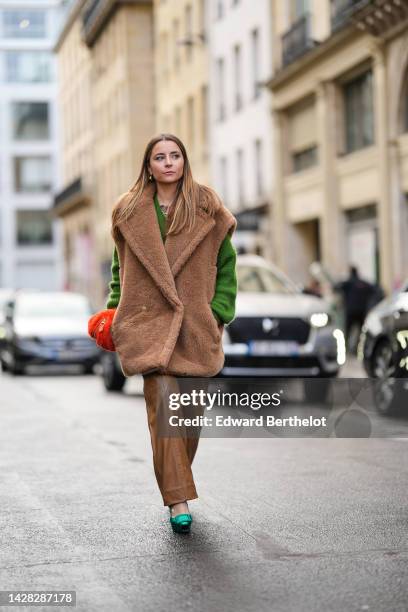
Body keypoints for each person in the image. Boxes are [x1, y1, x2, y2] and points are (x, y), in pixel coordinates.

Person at [88, 133, 238, 534]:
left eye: (175, 155)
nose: (168, 162)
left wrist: (218, 312)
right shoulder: (129, 210)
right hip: (148, 325)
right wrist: (115, 311)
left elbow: (227, 265)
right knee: (165, 408)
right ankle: (178, 500)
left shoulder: (207, 206)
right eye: (160, 157)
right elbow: (120, 271)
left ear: (184, 161)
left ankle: (176, 481)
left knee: (188, 419)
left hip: (196, 326)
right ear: (148, 165)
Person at [333, 265, 377, 354]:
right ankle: (359, 350)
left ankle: (345, 351)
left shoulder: (348, 283)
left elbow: (336, 288)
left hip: (350, 312)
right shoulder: (364, 283)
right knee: (361, 333)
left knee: (348, 332)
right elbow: (375, 290)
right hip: (361, 312)